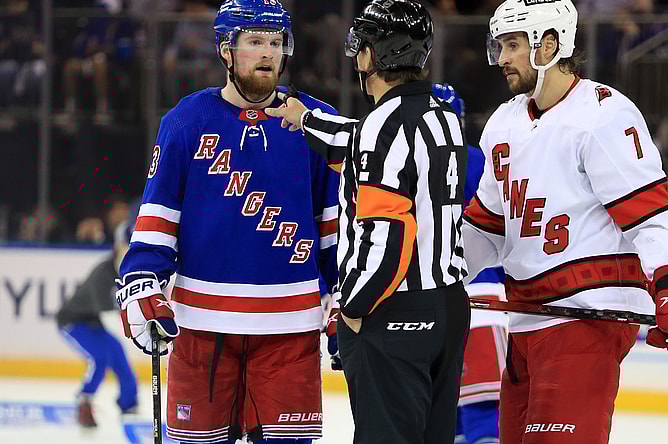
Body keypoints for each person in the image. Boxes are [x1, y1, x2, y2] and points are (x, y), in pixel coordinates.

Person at [461, 1, 668, 443]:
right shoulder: (502, 123)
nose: (502, 58)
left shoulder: (603, 114)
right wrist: (435, 275)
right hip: (526, 320)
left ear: (549, 45)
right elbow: (487, 229)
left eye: (513, 45)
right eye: (500, 45)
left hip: (585, 320)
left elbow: (649, 216)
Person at [113, 1, 339, 443]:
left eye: (276, 42)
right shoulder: (185, 121)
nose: (268, 54)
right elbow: (159, 217)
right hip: (200, 326)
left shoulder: (315, 123)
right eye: (255, 42)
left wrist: (342, 292)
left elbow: (334, 224)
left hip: (289, 329)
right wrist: (141, 280)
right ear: (225, 50)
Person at [266, 2, 471, 443]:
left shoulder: (382, 127)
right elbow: (358, 146)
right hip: (450, 308)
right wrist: (304, 118)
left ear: (370, 56)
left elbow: (389, 233)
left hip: (394, 310)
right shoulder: (444, 119)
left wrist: (353, 309)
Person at [433, 83, 506, 444]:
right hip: (484, 299)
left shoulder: (403, 161)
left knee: (448, 421)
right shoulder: (480, 159)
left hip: (427, 302)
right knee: (484, 415)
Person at [57, 221, 138, 428]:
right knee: (101, 357)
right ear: (117, 247)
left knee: (117, 353)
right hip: (74, 321)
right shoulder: (102, 274)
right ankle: (84, 400)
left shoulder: (128, 271)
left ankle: (129, 404)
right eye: (126, 247)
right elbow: (109, 313)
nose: (128, 253)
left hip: (94, 322)